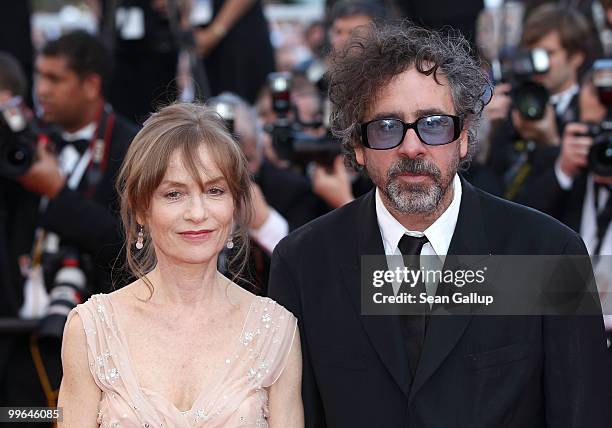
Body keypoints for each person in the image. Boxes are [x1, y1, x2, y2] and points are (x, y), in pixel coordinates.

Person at [268, 21, 611, 427]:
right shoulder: (304, 262)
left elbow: (583, 414)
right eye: (386, 127)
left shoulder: (546, 252)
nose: (411, 146)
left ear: (464, 136)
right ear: (358, 147)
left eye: (433, 124)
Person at [58, 102, 303, 427]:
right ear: (141, 207)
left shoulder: (276, 331)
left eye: (215, 191)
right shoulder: (90, 331)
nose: (198, 213)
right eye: (174, 194)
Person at [0, 31, 138, 420]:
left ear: (91, 84)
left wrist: (57, 195)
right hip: (17, 338)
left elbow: (132, 246)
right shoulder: (21, 141)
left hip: (102, 344)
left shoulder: (132, 149)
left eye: (55, 79)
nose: (41, 90)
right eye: (38, 76)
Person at [487, 4, 594, 201]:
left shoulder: (589, 112)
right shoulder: (513, 103)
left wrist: (552, 144)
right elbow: (491, 179)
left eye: (548, 54)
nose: (537, 63)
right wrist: (487, 126)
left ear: (576, 57)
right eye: (532, 53)